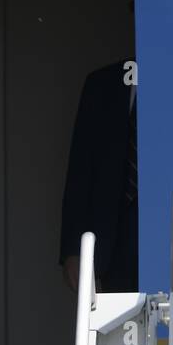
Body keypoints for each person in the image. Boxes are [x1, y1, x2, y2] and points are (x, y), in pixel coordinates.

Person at [59, 57, 138, 294]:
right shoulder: (103, 83)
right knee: (116, 328)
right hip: (109, 247)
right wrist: (73, 249)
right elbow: (81, 168)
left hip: (169, 239)